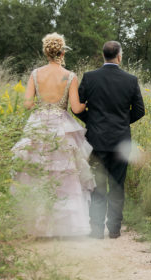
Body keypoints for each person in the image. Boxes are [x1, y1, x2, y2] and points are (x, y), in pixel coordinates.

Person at [11, 33, 94, 237]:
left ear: (46, 52)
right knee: (65, 176)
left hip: (39, 123)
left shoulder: (35, 74)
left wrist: (42, 102)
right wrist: (89, 102)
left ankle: (36, 224)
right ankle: (64, 227)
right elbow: (76, 108)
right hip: (61, 127)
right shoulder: (70, 76)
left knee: (37, 173)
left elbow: (28, 104)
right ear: (62, 52)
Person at [75, 40, 145, 239]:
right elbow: (140, 111)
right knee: (117, 185)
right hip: (121, 142)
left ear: (103, 55)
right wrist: (123, 122)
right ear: (119, 56)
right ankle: (114, 230)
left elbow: (77, 107)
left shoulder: (90, 77)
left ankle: (96, 230)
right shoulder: (130, 80)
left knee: (97, 186)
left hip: (96, 140)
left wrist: (92, 120)